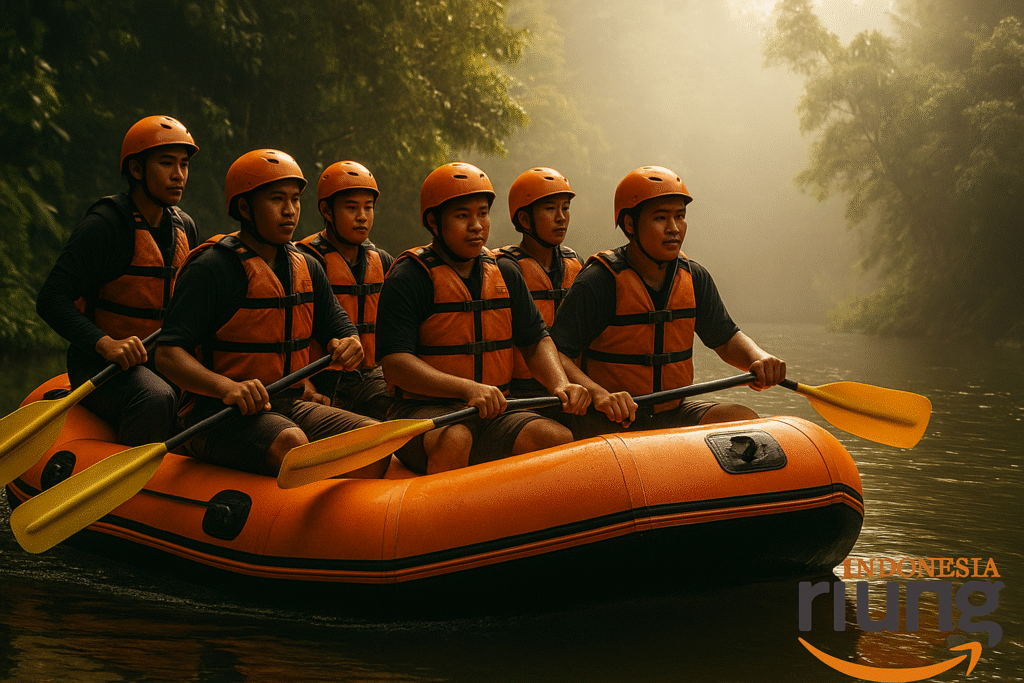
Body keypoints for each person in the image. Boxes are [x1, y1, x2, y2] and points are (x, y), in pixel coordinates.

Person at [155, 149, 387, 478]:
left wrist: (349, 342)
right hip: (216, 414)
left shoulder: (306, 266)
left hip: (288, 404)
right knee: (291, 442)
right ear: (245, 207)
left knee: (374, 440)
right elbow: (167, 355)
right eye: (277, 199)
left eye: (295, 199)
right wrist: (226, 387)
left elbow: (340, 326)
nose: (290, 210)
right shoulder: (213, 267)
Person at [375, 162, 590, 474]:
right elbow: (395, 364)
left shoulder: (504, 271)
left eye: (483, 213)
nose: (477, 225)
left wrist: (560, 384)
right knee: (456, 438)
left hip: (494, 410)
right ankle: (443, 518)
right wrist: (467, 389)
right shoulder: (410, 276)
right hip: (422, 411)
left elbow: (535, 341)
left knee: (555, 437)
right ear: (434, 221)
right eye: (463, 216)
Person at [550, 165, 786, 439]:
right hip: (609, 416)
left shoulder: (694, 277)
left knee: (741, 419)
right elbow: (557, 354)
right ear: (630, 225)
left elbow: (726, 338)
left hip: (674, 412)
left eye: (680, 216)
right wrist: (599, 395)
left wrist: (759, 359)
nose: (674, 229)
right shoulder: (599, 281)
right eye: (661, 218)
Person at [35, 115, 199, 446]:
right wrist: (105, 343)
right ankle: (130, 489)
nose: (179, 174)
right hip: (100, 367)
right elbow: (51, 299)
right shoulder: (105, 226)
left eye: (183, 164)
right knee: (155, 397)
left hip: (165, 363)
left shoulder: (186, 228)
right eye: (167, 163)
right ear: (137, 170)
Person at [295, 161, 394, 420]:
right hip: (318, 379)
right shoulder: (304, 261)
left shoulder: (383, 261)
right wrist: (304, 385)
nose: (362, 216)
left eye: (368, 207)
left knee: (396, 407)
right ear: (327, 211)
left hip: (369, 377)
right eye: (352, 208)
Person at [495, 167, 584, 398]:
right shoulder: (506, 268)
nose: (561, 217)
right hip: (521, 394)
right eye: (550, 208)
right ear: (524, 218)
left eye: (565, 208)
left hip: (573, 389)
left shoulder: (575, 263)